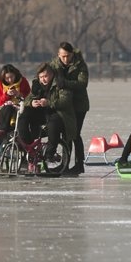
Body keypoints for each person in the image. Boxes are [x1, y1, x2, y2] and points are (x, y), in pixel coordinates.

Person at [15, 63, 76, 175]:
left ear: (52, 74)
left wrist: (48, 102)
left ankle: (49, 154)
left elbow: (65, 101)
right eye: (41, 77)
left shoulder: (60, 83)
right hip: (42, 113)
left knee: (53, 124)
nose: (43, 79)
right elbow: (28, 98)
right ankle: (29, 146)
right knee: (24, 115)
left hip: (59, 113)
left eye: (45, 76)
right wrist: (32, 103)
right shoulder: (37, 85)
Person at [51, 42, 90, 176]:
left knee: (75, 134)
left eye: (68, 56)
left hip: (79, 106)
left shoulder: (80, 64)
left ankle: (79, 165)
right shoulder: (54, 64)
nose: (65, 59)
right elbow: (45, 77)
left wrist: (65, 83)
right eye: (63, 56)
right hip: (63, 104)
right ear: (58, 55)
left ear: (72, 54)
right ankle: (64, 164)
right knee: (65, 134)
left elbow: (82, 84)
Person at [0, 64, 31, 142]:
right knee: (8, 108)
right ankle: (2, 130)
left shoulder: (23, 81)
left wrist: (19, 94)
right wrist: (7, 95)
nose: (9, 80)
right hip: (4, 110)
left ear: (15, 75)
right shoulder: (0, 83)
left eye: (11, 77)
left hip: (19, 108)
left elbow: (29, 95)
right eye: (7, 78)